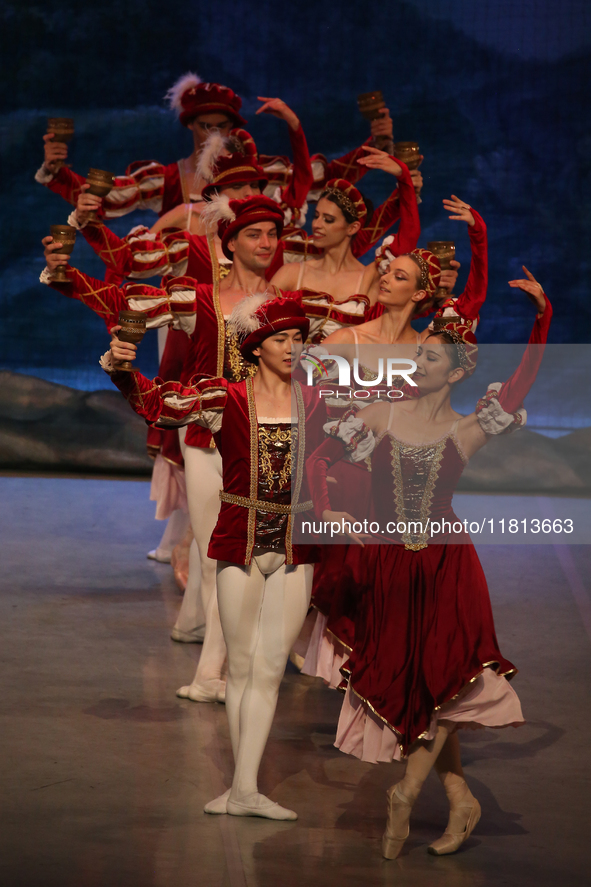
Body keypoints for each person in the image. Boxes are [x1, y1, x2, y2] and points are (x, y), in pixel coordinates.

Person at [306, 268, 552, 857]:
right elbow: (320, 455)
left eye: (430, 358)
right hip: (390, 567)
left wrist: (542, 321)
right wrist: (329, 511)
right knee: (422, 684)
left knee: (447, 675)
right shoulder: (381, 415)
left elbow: (518, 388)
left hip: (447, 568)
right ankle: (460, 797)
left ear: (458, 370)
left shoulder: (468, 429)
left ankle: (406, 794)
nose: (416, 363)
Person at [40, 195, 295, 701]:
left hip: (265, 439)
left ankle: (230, 667)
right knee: (213, 552)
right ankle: (211, 671)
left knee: (254, 553)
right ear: (230, 242)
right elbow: (125, 300)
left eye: (272, 234)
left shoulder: (287, 305)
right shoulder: (198, 299)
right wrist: (66, 273)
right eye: (254, 234)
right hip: (204, 435)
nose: (266, 243)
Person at [104, 296, 326, 820]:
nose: (292, 348)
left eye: (298, 339)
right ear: (256, 347)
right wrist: (121, 371)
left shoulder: (319, 401)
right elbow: (157, 405)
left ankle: (246, 789)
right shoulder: (223, 397)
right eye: (280, 340)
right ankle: (241, 787)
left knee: (270, 668)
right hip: (238, 542)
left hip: (297, 545)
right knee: (244, 666)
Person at [271, 151, 422, 340]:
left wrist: (404, 178)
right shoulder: (291, 273)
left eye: (328, 220)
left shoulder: (369, 278)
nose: (317, 225)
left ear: (352, 228)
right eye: (316, 216)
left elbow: (409, 235)